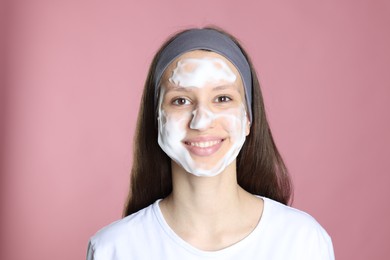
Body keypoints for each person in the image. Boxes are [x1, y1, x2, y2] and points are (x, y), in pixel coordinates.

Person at [86, 27, 335, 259]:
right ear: (157, 119)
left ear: (248, 118)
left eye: (222, 98)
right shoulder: (114, 248)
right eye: (181, 101)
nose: (202, 121)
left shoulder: (303, 242)